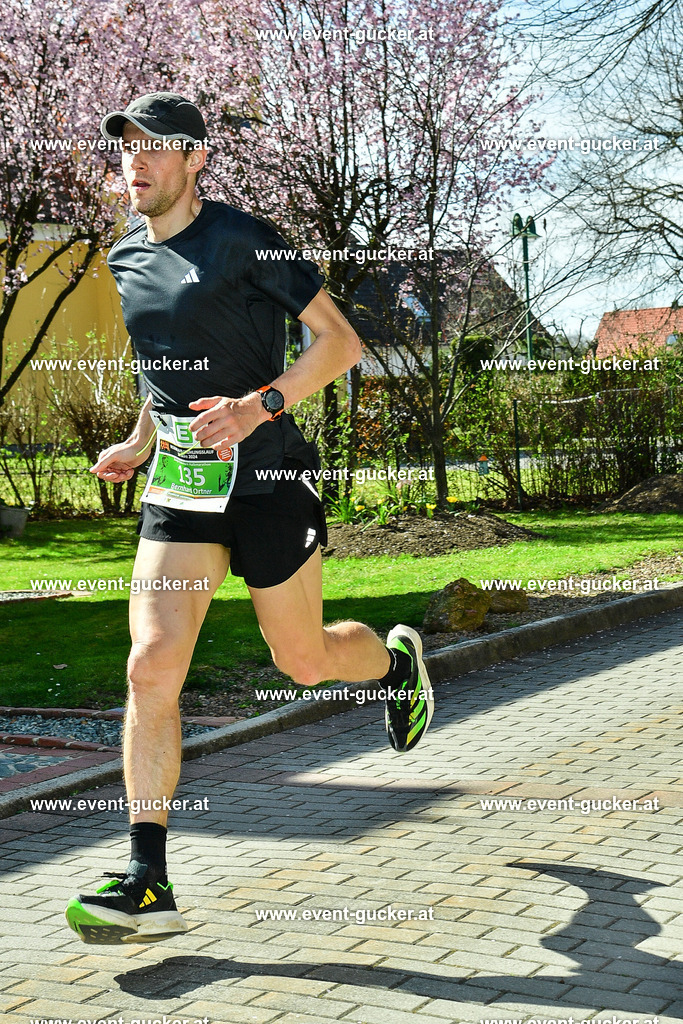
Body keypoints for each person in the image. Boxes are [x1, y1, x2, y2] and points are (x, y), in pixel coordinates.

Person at [65, 93, 434, 945]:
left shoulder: (245, 240)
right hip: (181, 488)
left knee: (302, 661)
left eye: (155, 148)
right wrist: (136, 439)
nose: (136, 163)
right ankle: (147, 878)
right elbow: (161, 369)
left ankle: (392, 667)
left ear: (195, 159)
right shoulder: (123, 254)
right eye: (127, 149)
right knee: (150, 667)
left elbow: (339, 344)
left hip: (269, 480)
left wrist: (260, 404)